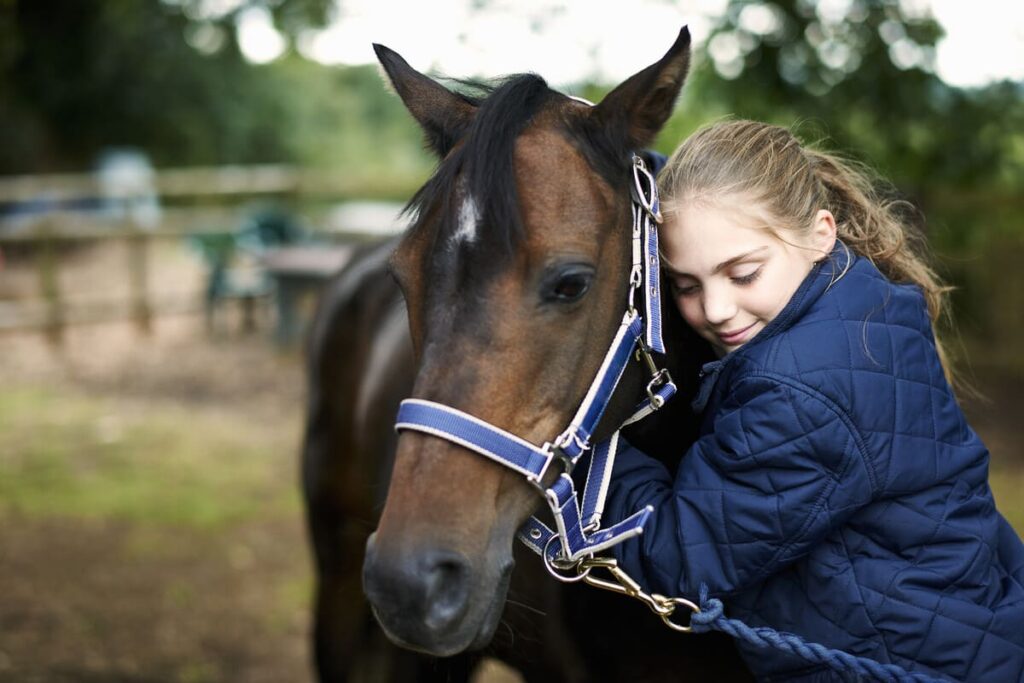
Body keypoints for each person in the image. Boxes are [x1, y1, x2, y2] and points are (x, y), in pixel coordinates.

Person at [603, 120, 1024, 681]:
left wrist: (587, 448)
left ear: (821, 232)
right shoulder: (862, 304)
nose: (717, 308)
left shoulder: (799, 395)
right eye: (686, 285)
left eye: (744, 273)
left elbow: (679, 558)